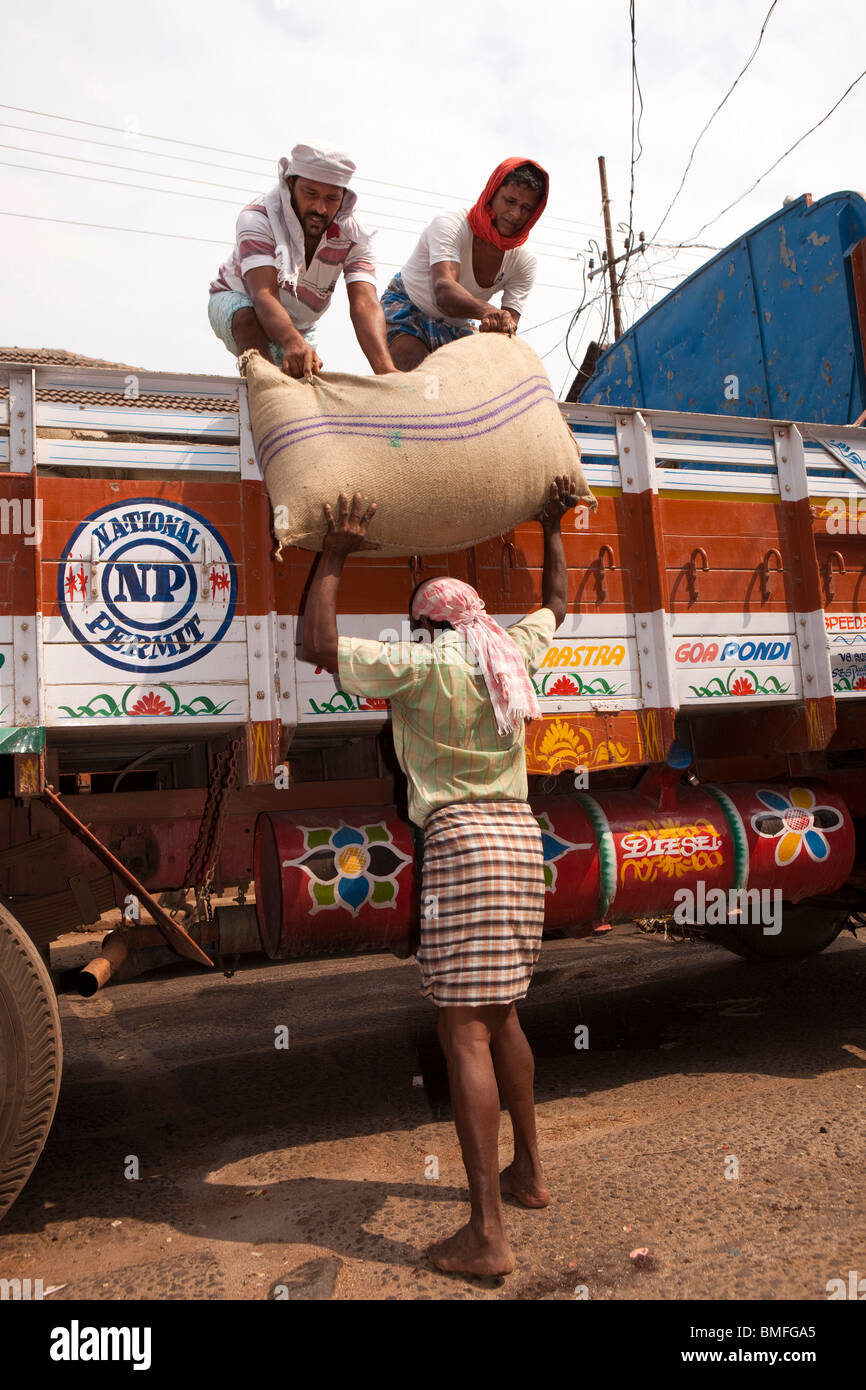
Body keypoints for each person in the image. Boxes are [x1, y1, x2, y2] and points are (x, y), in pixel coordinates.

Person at [300, 475, 577, 1277]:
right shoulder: (508, 649)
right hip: (523, 841)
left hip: (460, 844)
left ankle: (487, 1235)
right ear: (476, 615)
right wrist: (553, 524)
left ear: (424, 623)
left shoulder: (417, 664)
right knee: (506, 1015)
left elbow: (316, 645)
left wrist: (336, 551)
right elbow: (558, 599)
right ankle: (526, 1174)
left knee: (463, 1032)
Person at [208, 142, 397, 379]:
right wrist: (291, 341)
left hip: (301, 327)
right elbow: (263, 295)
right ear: (290, 184)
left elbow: (365, 304)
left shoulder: (355, 235)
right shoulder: (258, 218)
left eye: (331, 199)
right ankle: (259, 389)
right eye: (310, 194)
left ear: (344, 198)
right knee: (252, 333)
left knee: (301, 378)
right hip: (240, 300)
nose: (320, 208)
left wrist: (386, 370)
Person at [381, 158, 549, 371]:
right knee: (419, 375)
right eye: (510, 201)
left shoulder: (524, 261)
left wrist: (499, 326)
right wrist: (487, 311)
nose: (516, 214)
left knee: (474, 385)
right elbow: (444, 292)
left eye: (526, 208)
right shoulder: (451, 222)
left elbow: (507, 327)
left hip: (457, 325)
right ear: (492, 193)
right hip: (407, 306)